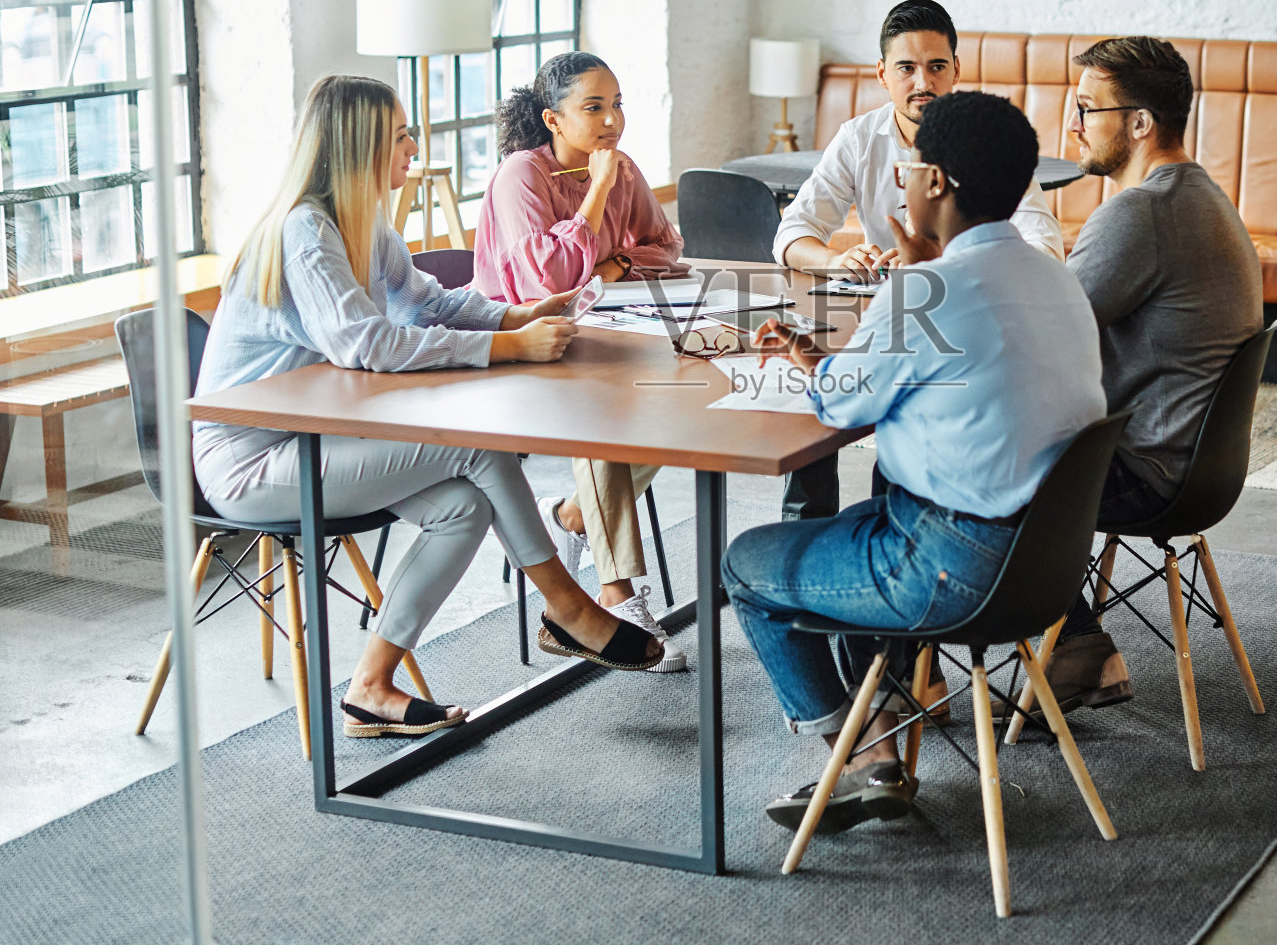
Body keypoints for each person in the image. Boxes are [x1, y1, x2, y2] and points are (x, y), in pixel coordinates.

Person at [193, 75, 664, 739]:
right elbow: (366, 343)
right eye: (400, 135)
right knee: (474, 444)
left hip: (320, 437)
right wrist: (508, 348)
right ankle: (567, 606)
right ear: (360, 148)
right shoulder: (306, 233)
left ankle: (370, 689)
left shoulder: (362, 224)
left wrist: (517, 314)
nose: (414, 147)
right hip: (256, 462)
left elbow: (430, 303)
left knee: (462, 506)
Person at [723, 90, 1105, 835]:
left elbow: (838, 408)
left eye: (912, 170)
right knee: (870, 510)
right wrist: (853, 337)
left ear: (934, 184)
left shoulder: (928, 291)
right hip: (1046, 566)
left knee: (747, 562)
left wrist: (885, 308)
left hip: (951, 569)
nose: (903, 181)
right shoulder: (1055, 276)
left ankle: (863, 758)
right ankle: (882, 720)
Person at [1046, 35, 1263, 713]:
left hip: (1147, 472)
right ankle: (1075, 643)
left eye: (1087, 108)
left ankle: (1073, 647)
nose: (1071, 125)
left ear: (1139, 123)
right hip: (1199, 468)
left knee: (961, 463)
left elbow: (1042, 330)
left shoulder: (1140, 212)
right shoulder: (1197, 193)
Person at [472, 52, 690, 672]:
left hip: (603, 339)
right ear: (553, 118)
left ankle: (571, 514)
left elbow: (667, 248)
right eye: (594, 108)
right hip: (520, 349)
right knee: (605, 418)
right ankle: (618, 596)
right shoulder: (523, 175)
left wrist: (613, 264)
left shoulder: (626, 169)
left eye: (617, 104)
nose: (612, 121)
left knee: (680, 402)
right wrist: (595, 192)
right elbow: (552, 280)